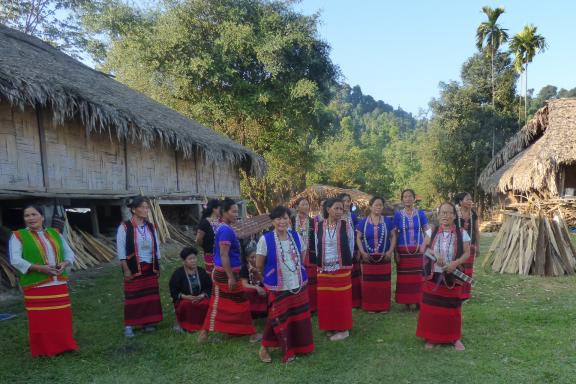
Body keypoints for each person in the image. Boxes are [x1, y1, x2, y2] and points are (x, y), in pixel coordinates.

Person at [9, 205, 78, 356]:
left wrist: (64, 264)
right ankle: (45, 349)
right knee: (42, 319)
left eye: (34, 214)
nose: (30, 218)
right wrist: (41, 268)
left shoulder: (55, 233)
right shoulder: (18, 236)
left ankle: (64, 345)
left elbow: (69, 253)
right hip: (36, 285)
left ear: (42, 217)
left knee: (61, 317)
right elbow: (15, 259)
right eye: (27, 216)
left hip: (58, 282)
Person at [256, 206, 314, 363]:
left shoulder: (295, 236)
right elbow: (259, 265)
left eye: (285, 218)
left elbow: (302, 254)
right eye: (278, 218)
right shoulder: (265, 239)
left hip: (297, 283)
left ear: (290, 219)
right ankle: (265, 347)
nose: (282, 221)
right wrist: (266, 279)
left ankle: (300, 347)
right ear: (273, 221)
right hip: (277, 285)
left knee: (297, 316)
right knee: (277, 317)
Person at [201, 198, 258, 342]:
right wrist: (231, 277)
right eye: (233, 211)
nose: (236, 214)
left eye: (237, 212)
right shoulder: (225, 230)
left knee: (219, 302)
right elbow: (224, 254)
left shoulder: (223, 227)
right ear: (224, 212)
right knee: (241, 302)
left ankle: (205, 333)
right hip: (227, 273)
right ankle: (252, 334)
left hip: (223, 272)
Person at [416, 202, 471, 351]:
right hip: (433, 275)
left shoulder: (462, 233)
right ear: (438, 215)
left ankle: (454, 338)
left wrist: (455, 263)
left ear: (454, 215)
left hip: (452, 275)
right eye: (442, 213)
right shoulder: (432, 231)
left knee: (452, 309)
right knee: (432, 308)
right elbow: (423, 248)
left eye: (448, 213)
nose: (445, 216)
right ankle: (432, 338)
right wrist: (433, 254)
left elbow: (467, 253)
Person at [116, 196, 163, 337]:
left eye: (147, 207)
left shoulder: (150, 227)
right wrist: (126, 269)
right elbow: (121, 251)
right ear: (134, 209)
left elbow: (157, 247)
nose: (145, 210)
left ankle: (147, 322)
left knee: (149, 295)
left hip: (150, 265)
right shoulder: (125, 227)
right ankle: (129, 325)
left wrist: (157, 265)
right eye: (142, 207)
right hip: (134, 266)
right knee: (133, 296)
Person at [315, 198, 353, 341]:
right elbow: (317, 245)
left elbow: (350, 244)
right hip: (324, 268)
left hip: (341, 267)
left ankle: (343, 329)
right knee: (327, 299)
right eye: (336, 208)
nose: (339, 211)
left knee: (341, 299)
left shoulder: (345, 225)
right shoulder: (319, 226)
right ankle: (331, 326)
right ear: (327, 209)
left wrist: (347, 262)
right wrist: (320, 266)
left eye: (341, 209)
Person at [356, 196, 396, 313]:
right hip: (368, 258)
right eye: (376, 205)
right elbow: (358, 238)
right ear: (370, 206)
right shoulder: (363, 222)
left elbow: (393, 236)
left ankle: (383, 306)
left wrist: (390, 251)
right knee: (369, 284)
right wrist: (363, 252)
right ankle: (370, 306)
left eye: (380, 205)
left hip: (384, 256)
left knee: (383, 284)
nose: (378, 207)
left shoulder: (388, 221)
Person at [393, 189, 429, 311]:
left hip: (419, 250)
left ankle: (419, 300)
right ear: (402, 199)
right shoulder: (398, 214)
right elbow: (395, 234)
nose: (407, 198)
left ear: (414, 199)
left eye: (410, 196)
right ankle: (406, 301)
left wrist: (424, 244)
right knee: (405, 277)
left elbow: (427, 230)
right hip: (403, 250)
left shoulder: (420, 213)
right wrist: (395, 252)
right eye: (405, 196)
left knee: (419, 276)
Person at [169, 247, 212, 333]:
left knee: (207, 303)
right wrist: (186, 297)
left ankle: (205, 325)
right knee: (186, 305)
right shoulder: (178, 273)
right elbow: (174, 290)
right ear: (184, 261)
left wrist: (202, 295)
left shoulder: (201, 271)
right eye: (190, 259)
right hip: (185, 299)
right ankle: (188, 326)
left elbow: (209, 287)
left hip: (200, 297)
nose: (193, 261)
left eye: (194, 258)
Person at [291, 197, 317, 313]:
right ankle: (298, 307)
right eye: (303, 204)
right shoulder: (291, 221)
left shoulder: (312, 222)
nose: (306, 206)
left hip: (309, 255)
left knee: (311, 283)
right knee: (297, 281)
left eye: (307, 204)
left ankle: (312, 307)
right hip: (294, 255)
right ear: (297, 207)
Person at [454, 192, 480, 300]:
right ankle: (456, 291)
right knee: (458, 268)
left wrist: (477, 246)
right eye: (467, 199)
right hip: (457, 246)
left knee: (468, 270)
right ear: (460, 202)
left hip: (470, 246)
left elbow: (477, 231)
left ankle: (466, 294)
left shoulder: (473, 214)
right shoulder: (455, 213)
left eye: (470, 199)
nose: (470, 201)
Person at [338, 193, 361, 308]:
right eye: (344, 201)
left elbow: (357, 234)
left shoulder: (353, 216)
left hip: (352, 249)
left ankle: (355, 301)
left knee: (354, 275)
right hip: (339, 251)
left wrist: (357, 250)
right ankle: (344, 300)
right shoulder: (336, 216)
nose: (346, 203)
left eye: (348, 201)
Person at [241, 241, 268, 319]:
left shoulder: (263, 265)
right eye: (252, 257)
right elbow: (244, 284)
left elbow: (266, 283)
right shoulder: (245, 267)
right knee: (247, 290)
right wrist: (257, 288)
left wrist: (258, 275)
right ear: (247, 258)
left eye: (256, 256)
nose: (255, 259)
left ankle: (265, 311)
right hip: (254, 291)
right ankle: (252, 312)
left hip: (264, 290)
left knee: (269, 289)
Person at [196, 199, 221, 273]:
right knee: (212, 276)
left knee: (221, 277)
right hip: (210, 255)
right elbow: (198, 240)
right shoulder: (205, 222)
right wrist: (206, 248)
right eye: (220, 208)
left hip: (222, 255)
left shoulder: (221, 221)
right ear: (214, 209)